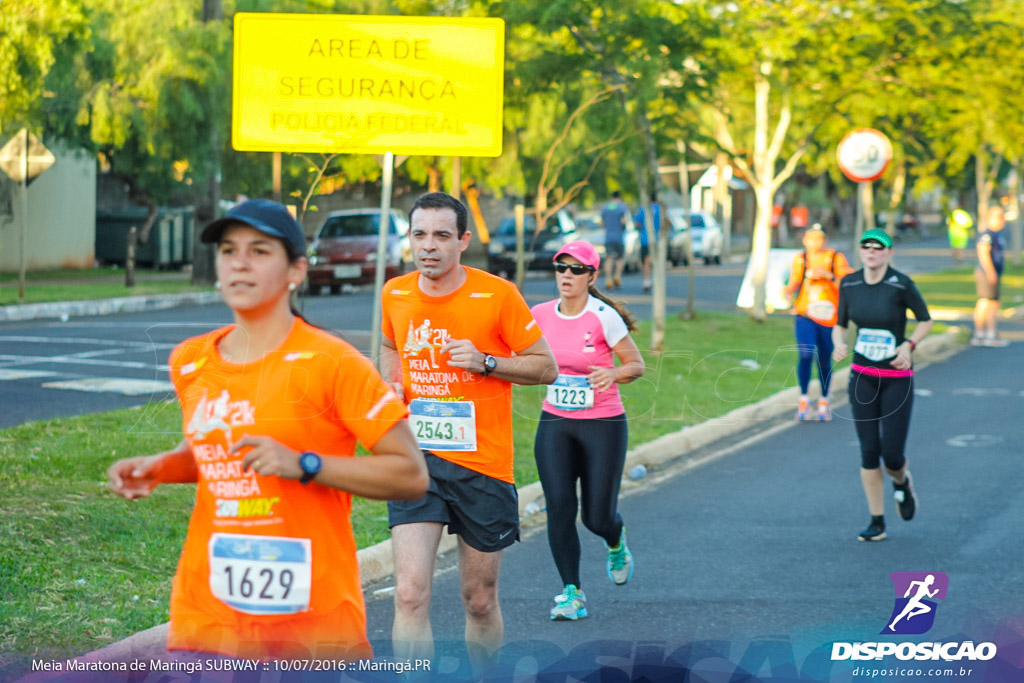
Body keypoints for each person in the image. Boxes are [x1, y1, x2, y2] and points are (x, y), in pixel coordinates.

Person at [106, 199, 428, 660]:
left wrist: (303, 464)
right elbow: (214, 451)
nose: (239, 262)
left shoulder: (332, 362)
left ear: (296, 271)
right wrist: (162, 466)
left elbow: (410, 474)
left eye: (259, 251)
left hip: (310, 627)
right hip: (206, 617)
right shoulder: (192, 360)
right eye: (228, 250)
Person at [380, 192, 558, 671]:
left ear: (463, 240)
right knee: (410, 595)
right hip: (415, 463)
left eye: (441, 235)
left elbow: (547, 367)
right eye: (419, 235)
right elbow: (388, 343)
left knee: (478, 599)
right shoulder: (394, 292)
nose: (429, 246)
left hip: (482, 465)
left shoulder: (496, 295)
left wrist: (487, 362)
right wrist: (391, 382)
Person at [530, 240, 645, 621]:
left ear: (592, 276)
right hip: (556, 422)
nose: (567, 275)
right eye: (561, 268)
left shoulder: (603, 316)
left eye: (576, 269)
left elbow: (636, 364)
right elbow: (520, 353)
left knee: (596, 517)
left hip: (603, 424)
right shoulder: (540, 314)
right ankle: (571, 593)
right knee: (560, 508)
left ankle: (616, 540)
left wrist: (611, 372)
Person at [832, 228, 933, 542]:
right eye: (866, 247)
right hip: (862, 376)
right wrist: (838, 344)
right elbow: (840, 324)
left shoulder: (900, 284)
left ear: (889, 253)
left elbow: (925, 319)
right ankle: (876, 520)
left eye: (878, 248)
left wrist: (909, 345)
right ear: (860, 252)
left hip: (896, 380)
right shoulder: (849, 284)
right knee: (868, 451)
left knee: (891, 455)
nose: (871, 252)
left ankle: (902, 482)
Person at [783, 224, 852, 421]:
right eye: (811, 238)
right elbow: (793, 283)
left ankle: (823, 400)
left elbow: (848, 281)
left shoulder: (835, 258)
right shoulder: (801, 259)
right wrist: (785, 293)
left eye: (819, 238)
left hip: (829, 317)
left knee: (824, 359)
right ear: (804, 240)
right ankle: (804, 398)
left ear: (825, 240)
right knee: (805, 355)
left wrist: (829, 276)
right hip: (806, 314)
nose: (815, 242)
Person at [971, 205, 1010, 347]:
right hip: (986, 273)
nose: (1003, 220)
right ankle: (984, 334)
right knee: (986, 302)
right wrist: (990, 272)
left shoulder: (996, 235)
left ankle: (988, 333)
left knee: (992, 303)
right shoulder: (987, 235)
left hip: (993, 273)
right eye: (1000, 216)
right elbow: (983, 253)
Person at [601, 191, 630, 290]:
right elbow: (623, 221)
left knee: (609, 258)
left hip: (608, 237)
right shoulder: (622, 207)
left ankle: (608, 279)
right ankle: (617, 275)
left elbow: (602, 223)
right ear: (619, 197)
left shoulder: (605, 207)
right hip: (619, 237)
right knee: (620, 258)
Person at [634, 200, 662, 293]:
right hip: (658, 240)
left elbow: (637, 224)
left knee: (646, 261)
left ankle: (647, 281)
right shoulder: (661, 209)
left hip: (645, 239)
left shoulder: (643, 209)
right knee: (656, 261)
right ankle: (655, 280)